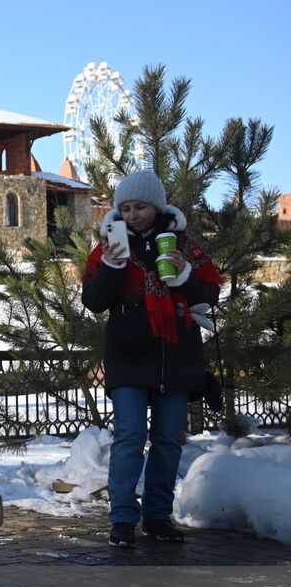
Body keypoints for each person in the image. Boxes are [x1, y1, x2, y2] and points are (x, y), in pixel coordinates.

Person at [80, 168, 221, 548]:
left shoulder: (185, 247)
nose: (131, 214)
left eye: (139, 206)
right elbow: (93, 302)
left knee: (167, 439)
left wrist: (183, 275)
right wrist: (111, 268)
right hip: (128, 354)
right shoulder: (107, 247)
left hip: (177, 352)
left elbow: (210, 295)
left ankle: (157, 517)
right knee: (129, 436)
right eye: (124, 207)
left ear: (155, 206)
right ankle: (123, 518)